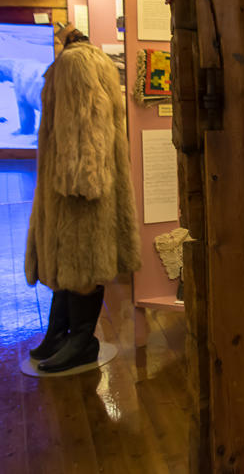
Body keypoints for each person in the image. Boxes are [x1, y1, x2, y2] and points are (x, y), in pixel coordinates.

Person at [25, 21, 142, 373]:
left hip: (78, 186)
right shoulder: (82, 60)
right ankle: (59, 333)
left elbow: (87, 123)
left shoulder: (77, 63)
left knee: (82, 260)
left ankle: (82, 340)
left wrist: (82, 180)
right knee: (66, 260)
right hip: (65, 182)